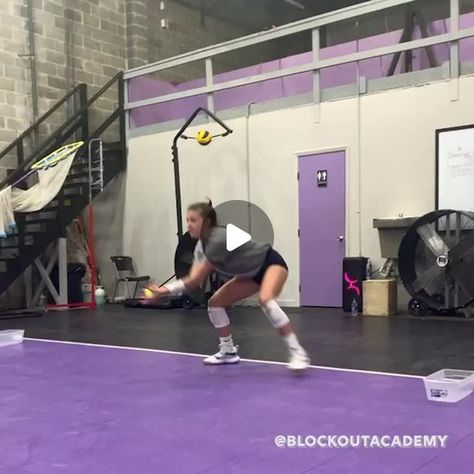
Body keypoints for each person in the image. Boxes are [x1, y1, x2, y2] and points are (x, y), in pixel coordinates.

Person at [144, 200, 310, 371]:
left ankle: (298, 352)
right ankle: (228, 351)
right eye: (187, 220)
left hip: (270, 263)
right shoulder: (201, 247)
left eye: (193, 220)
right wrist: (164, 292)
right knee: (215, 304)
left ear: (207, 222)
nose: (189, 225)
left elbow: (194, 280)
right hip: (249, 274)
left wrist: (163, 291)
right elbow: (194, 278)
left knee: (266, 300)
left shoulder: (217, 239)